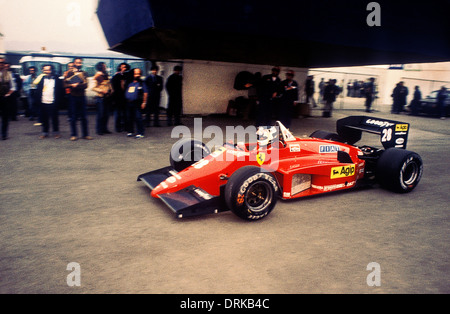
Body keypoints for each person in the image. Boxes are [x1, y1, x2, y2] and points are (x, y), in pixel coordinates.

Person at [64, 57, 92, 141]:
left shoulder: (84, 73)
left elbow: (86, 85)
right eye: (77, 62)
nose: (79, 64)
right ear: (74, 63)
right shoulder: (69, 73)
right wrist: (71, 85)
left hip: (82, 96)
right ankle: (74, 135)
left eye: (80, 63)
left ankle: (85, 135)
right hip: (73, 97)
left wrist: (77, 85)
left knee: (84, 116)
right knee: (73, 117)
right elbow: (64, 85)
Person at [35, 64, 64, 139]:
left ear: (52, 70)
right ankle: (45, 133)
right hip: (43, 102)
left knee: (55, 118)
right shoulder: (41, 78)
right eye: (45, 70)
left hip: (53, 102)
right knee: (44, 119)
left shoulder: (57, 79)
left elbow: (61, 91)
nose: (47, 71)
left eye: (48, 70)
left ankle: (56, 133)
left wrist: (59, 102)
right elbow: (38, 90)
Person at [124, 68, 147, 138]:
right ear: (133, 74)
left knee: (138, 118)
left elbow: (145, 93)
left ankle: (140, 133)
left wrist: (144, 102)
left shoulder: (142, 83)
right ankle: (130, 131)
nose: (137, 75)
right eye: (136, 74)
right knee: (129, 118)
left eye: (139, 74)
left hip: (137, 103)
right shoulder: (130, 83)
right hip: (129, 103)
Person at [92, 62, 112, 135]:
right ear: (101, 67)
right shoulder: (97, 76)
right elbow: (93, 87)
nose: (105, 67)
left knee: (106, 114)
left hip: (107, 97)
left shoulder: (106, 74)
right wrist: (102, 91)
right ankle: (99, 130)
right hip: (100, 97)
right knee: (100, 114)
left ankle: (105, 129)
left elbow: (108, 84)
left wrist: (111, 90)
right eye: (104, 66)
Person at [111, 63, 130, 132]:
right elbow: (114, 87)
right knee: (118, 113)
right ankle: (118, 127)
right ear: (119, 68)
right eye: (121, 67)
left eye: (124, 67)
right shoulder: (116, 76)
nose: (123, 68)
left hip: (125, 97)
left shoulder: (127, 76)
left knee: (125, 113)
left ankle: (125, 126)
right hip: (118, 97)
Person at [0, 57, 16, 140]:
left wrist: (7, 95)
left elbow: (13, 87)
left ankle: (3, 134)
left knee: (5, 117)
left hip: (4, 98)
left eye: (2, 63)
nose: (1, 64)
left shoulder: (9, 74)